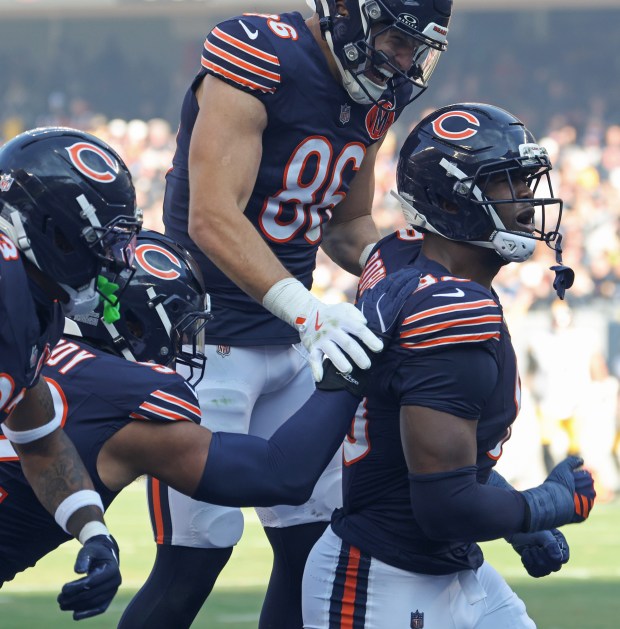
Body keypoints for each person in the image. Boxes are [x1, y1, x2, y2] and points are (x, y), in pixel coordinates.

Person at [122, 2, 454, 628]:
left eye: (418, 48)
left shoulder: (372, 96)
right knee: (195, 559)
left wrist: (412, 280)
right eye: (395, 40)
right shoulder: (261, 50)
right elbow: (213, 216)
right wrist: (310, 313)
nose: (405, 61)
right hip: (208, 344)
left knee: (314, 549)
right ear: (350, 17)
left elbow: (348, 225)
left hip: (291, 345)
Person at [301, 103, 595, 628]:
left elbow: (430, 442)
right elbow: (442, 507)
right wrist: (541, 506)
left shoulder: (398, 258)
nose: (529, 201)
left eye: (527, 182)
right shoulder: (452, 310)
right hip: (386, 577)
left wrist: (511, 516)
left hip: (446, 565)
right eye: (509, 184)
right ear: (449, 200)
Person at [0, 229, 368, 598]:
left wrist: (94, 532)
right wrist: (350, 368)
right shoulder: (122, 398)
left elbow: (42, 448)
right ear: (135, 324)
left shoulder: (33, 346)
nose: (181, 343)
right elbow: (281, 474)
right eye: (179, 326)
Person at [0, 126, 141, 620]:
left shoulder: (34, 305)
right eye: (104, 241)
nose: (116, 260)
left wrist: (94, 531)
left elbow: (38, 440)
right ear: (53, 231)